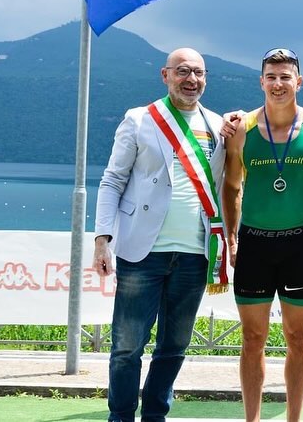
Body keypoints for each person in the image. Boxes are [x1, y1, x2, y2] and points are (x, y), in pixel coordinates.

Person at [93, 48, 229, 422]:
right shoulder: (139, 119)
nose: (191, 79)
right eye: (182, 71)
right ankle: (120, 416)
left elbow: (232, 184)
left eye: (199, 73)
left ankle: (155, 415)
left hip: (195, 252)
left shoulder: (219, 126)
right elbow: (112, 180)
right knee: (127, 345)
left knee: (174, 346)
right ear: (165, 75)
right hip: (142, 251)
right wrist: (102, 238)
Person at [221, 48, 303, 422]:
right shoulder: (241, 128)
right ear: (261, 82)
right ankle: (252, 419)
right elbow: (232, 185)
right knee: (253, 340)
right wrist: (233, 237)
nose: (278, 84)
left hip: (298, 244)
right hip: (254, 244)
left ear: (298, 82)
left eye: (285, 77)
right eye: (271, 77)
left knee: (298, 340)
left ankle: (293, 418)